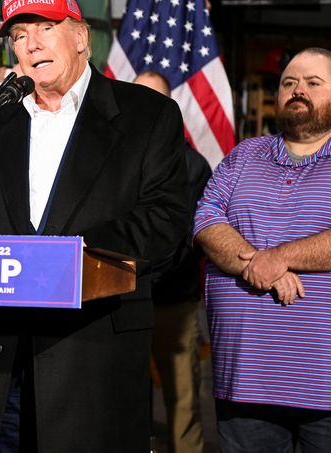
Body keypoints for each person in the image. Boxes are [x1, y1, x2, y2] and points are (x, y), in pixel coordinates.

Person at [0, 0, 190, 452]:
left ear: (80, 37)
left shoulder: (147, 115)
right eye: (18, 35)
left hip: (93, 351)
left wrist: (75, 256)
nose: (31, 45)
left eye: (44, 28)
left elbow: (166, 220)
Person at [194, 47, 331, 452]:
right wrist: (255, 264)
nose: (299, 90)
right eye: (289, 83)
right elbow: (206, 220)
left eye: (314, 83)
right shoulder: (245, 156)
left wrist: (278, 257)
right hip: (246, 386)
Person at [134, 69, 209, 453]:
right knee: (126, 402)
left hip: (172, 302)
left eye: (155, 99)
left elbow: (189, 239)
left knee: (182, 402)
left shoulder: (193, 166)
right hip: (120, 299)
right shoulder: (112, 160)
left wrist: (143, 275)